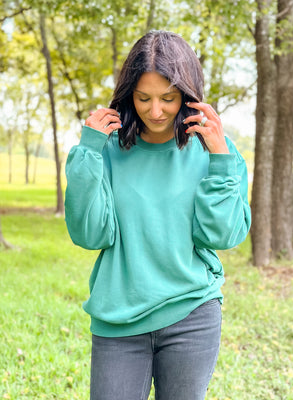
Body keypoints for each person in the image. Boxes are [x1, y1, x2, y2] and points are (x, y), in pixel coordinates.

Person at [65, 30, 251, 400]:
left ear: (187, 94)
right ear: (128, 95)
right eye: (143, 97)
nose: (155, 110)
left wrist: (219, 161)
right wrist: (87, 152)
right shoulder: (107, 149)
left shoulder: (216, 150)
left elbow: (223, 235)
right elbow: (90, 235)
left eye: (168, 98)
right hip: (119, 320)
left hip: (192, 314)